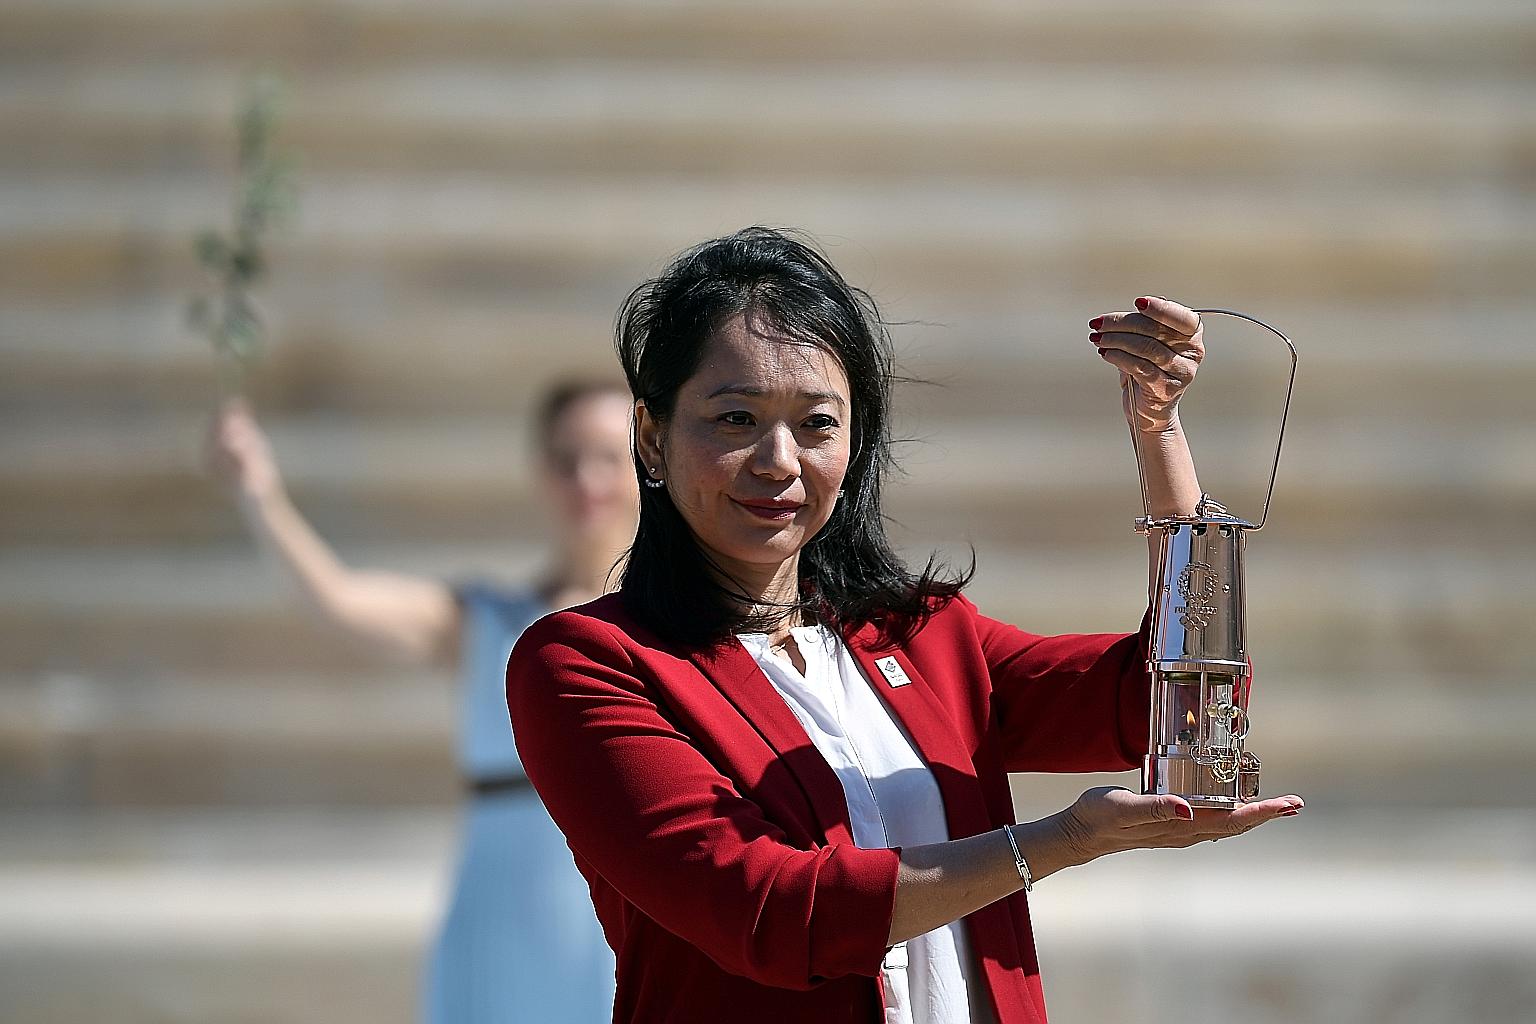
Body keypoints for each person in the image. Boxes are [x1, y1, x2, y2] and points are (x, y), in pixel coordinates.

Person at [505, 227, 1304, 1024]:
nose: (779, 460)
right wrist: (1063, 840)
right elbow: (769, 914)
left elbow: (1170, 702)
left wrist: (1158, 432)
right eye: (735, 419)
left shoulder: (921, 636)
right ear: (651, 436)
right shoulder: (589, 664)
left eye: (817, 424)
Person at [205, 380, 634, 1023]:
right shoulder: (485, 619)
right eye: (564, 459)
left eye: (608, 457)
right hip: (499, 911)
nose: (585, 480)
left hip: (624, 911)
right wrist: (259, 491)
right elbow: (335, 598)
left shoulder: (673, 630)